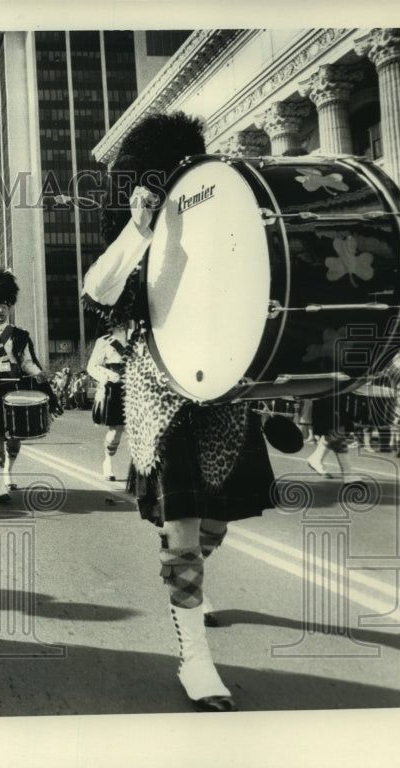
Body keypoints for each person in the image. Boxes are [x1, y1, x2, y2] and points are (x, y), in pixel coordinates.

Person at [80, 112, 276, 712]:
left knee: (216, 521)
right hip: (159, 387)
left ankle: (192, 577)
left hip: (218, 382)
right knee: (185, 524)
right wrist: (138, 230)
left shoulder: (211, 209)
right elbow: (97, 290)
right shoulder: (133, 230)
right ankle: (195, 655)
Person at [0, 269, 60, 504]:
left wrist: (39, 375)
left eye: (5, 305)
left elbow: (27, 363)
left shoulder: (19, 335)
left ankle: (8, 470)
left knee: (15, 439)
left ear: (10, 306)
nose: (0, 309)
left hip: (15, 389)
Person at [86, 326, 129, 481]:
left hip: (137, 386)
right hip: (116, 388)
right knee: (116, 431)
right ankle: (108, 461)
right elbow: (92, 367)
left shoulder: (140, 338)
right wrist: (111, 376)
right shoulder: (104, 341)